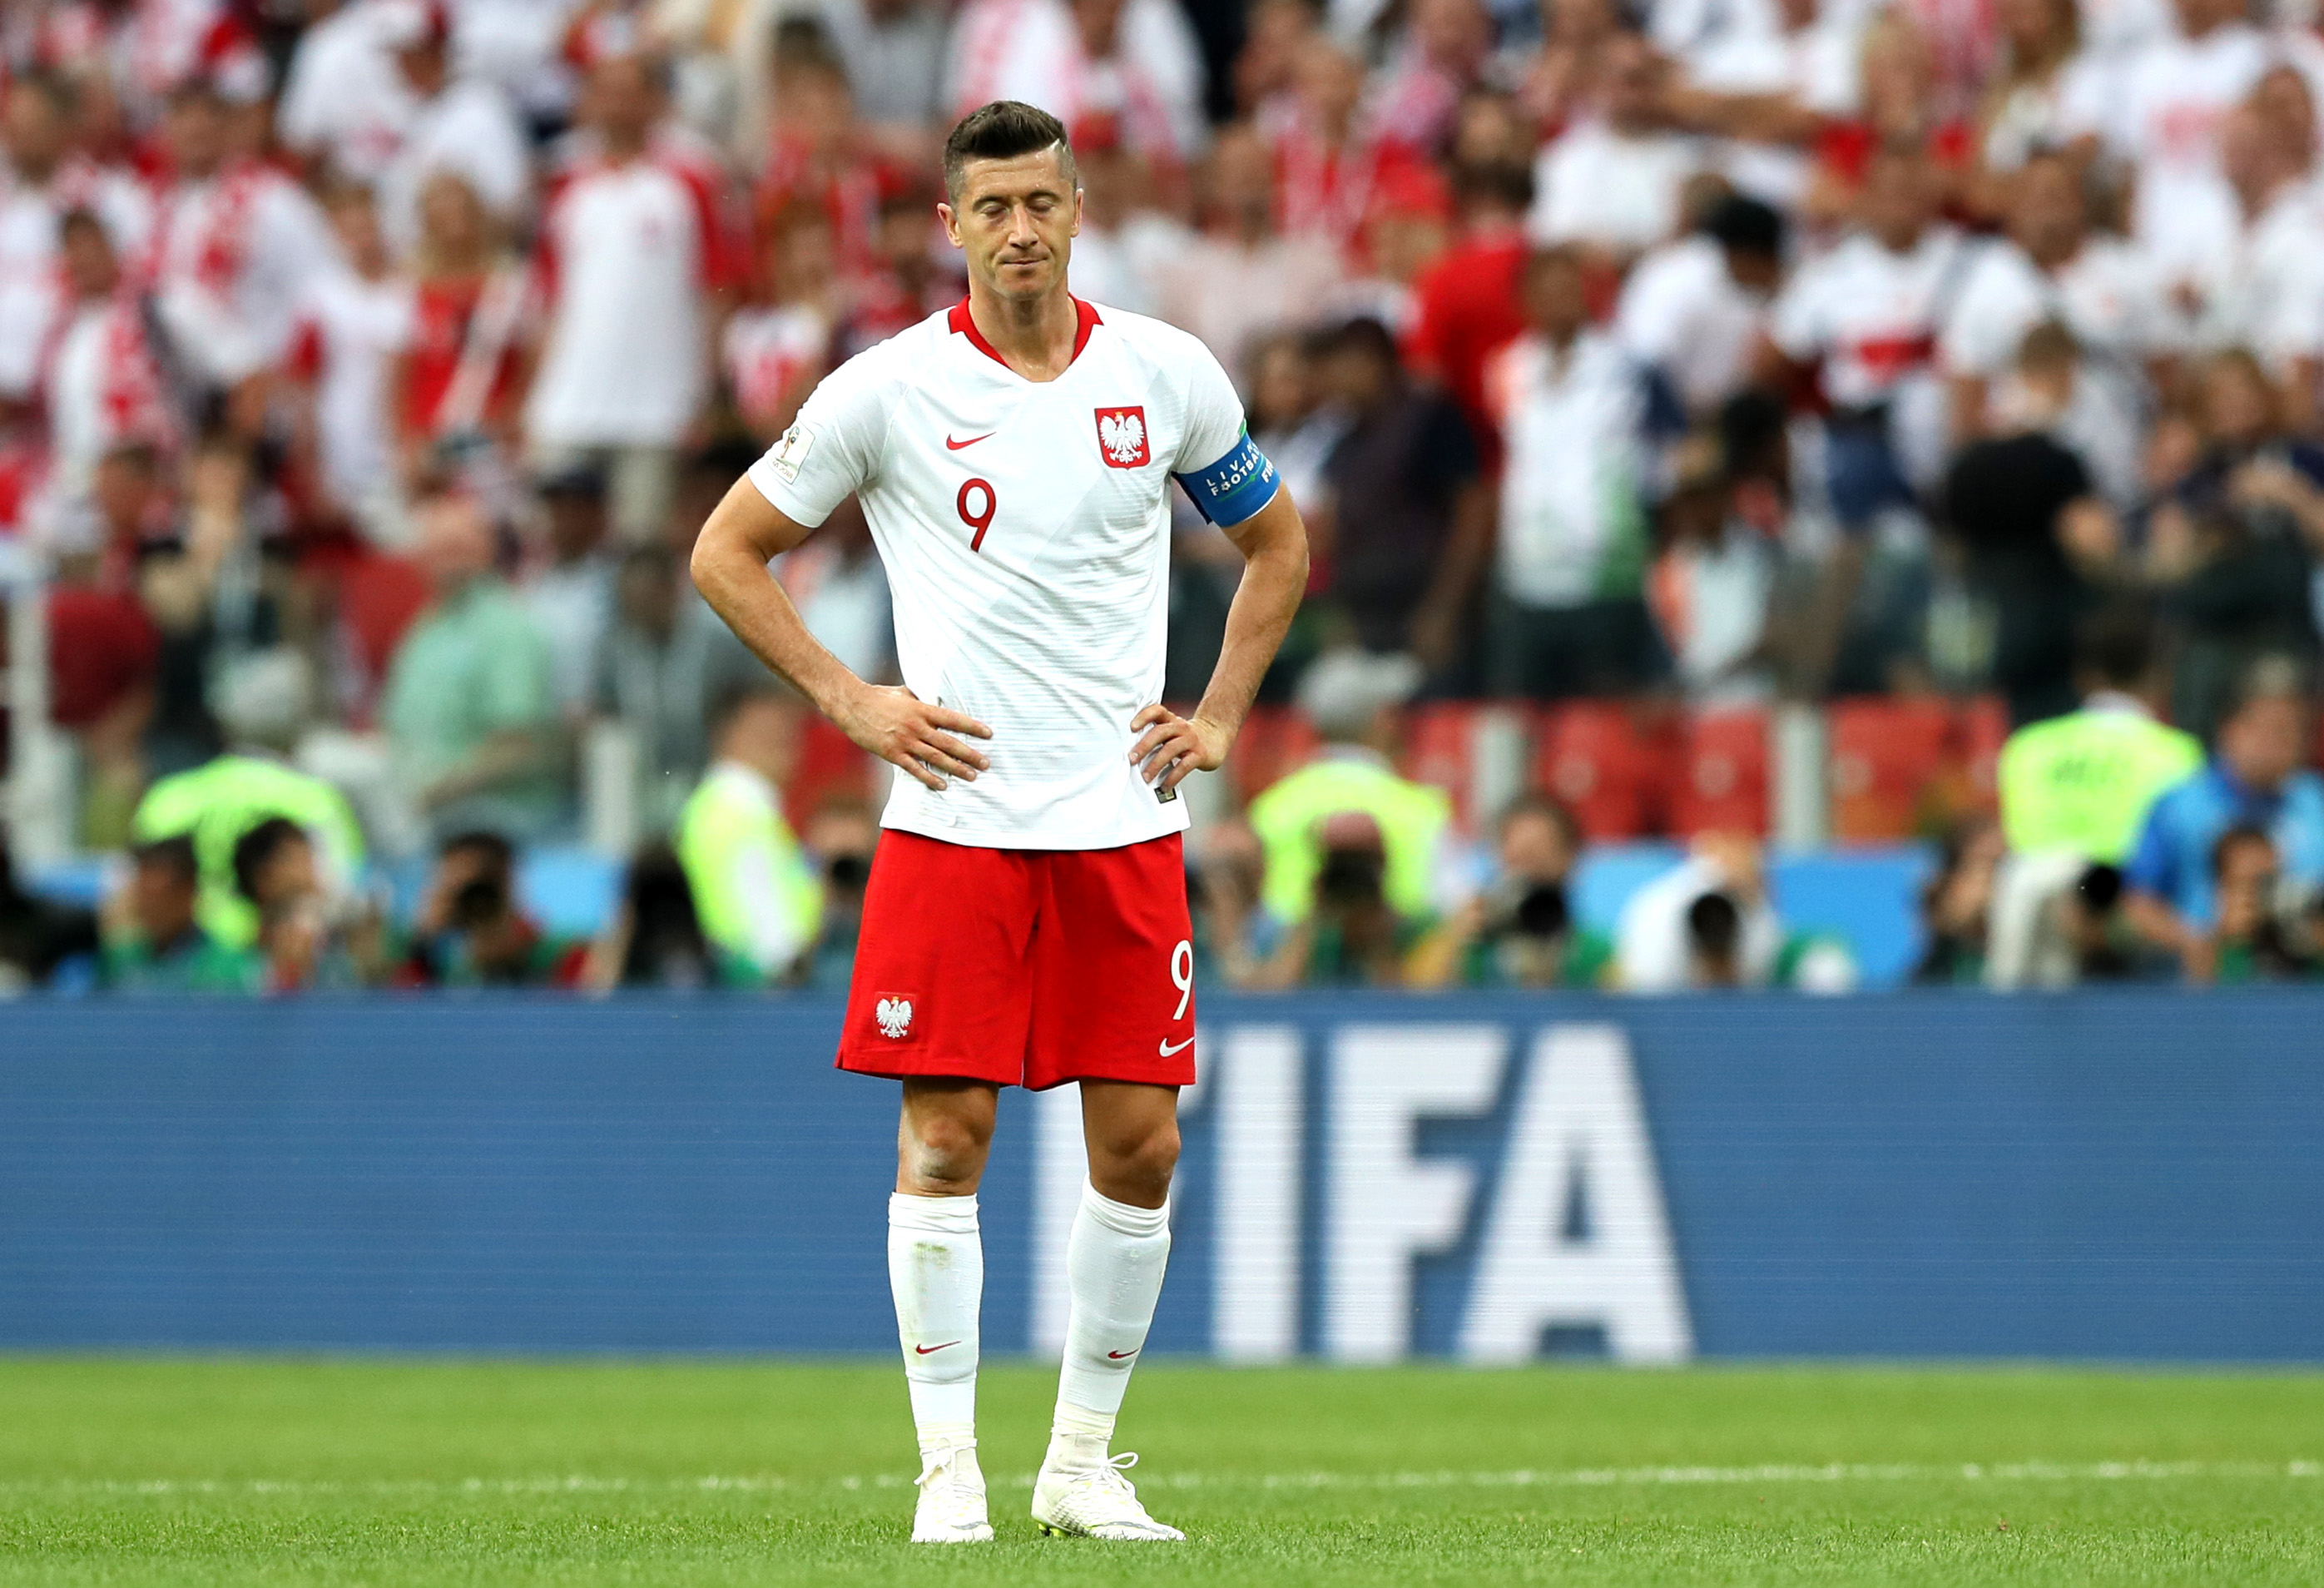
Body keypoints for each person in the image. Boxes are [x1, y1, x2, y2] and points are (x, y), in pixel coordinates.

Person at [689, 102, 1306, 1543]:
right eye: (992, 207)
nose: (1019, 229)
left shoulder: (1163, 373)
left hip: (1119, 824)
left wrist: (1217, 716)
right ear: (950, 226)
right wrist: (849, 699)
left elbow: (1276, 544)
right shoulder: (888, 388)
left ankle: (1080, 1463)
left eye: (1041, 202)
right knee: (945, 1137)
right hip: (952, 824)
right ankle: (946, 1471)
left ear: (1077, 208)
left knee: (1141, 1148)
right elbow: (727, 550)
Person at [1484, 245, 1657, 699]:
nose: (1560, 302)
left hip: (1606, 570)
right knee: (1522, 710)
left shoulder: (1623, 367)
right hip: (1527, 572)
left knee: (1606, 707)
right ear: (1525, 301)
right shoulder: (1506, 371)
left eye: (1569, 290)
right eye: (1547, 292)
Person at [130, 648, 368, 952]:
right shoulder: (317, 798)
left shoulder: (166, 798)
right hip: (286, 954)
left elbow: (128, 901)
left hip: (188, 961)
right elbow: (341, 887)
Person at [380, 489, 562, 844]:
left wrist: (433, 792)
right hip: (422, 814)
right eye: (439, 549)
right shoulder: (423, 630)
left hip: (497, 821)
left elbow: (518, 745)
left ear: (486, 551)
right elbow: (392, 728)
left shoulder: (507, 627)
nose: (450, 562)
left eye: (460, 548)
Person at [2124, 658, 2324, 974]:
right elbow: (2136, 901)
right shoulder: (2180, 806)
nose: (2284, 742)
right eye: (2271, 728)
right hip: (2206, 982)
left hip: (2305, 980)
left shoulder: (2316, 802)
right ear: (2229, 728)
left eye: (2295, 729)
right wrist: (2191, 942)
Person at [1246, 648, 1449, 930]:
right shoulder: (1423, 810)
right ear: (1382, 720)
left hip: (1290, 951)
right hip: (1397, 951)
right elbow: (1447, 908)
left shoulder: (1271, 809)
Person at [675, 685, 825, 985]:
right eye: (768, 731)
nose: (786, 739)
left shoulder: (737, 807)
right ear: (728, 734)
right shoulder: (736, 809)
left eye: (789, 728)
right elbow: (773, 937)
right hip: (759, 988)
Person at [1410, 793, 1613, 990]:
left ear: (1569, 860)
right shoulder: (1476, 948)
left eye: (1539, 859)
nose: (1529, 879)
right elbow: (1415, 996)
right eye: (1519, 861)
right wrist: (1454, 937)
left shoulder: (1592, 953)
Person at [99, 834, 256, 994]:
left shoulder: (227, 967)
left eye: (156, 896)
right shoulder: (120, 959)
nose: (144, 906)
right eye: (140, 893)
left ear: (189, 892)